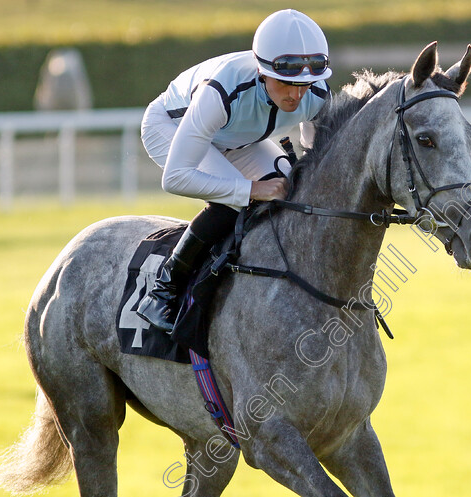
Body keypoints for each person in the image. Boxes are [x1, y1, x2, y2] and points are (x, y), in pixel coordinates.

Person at [136, 9, 333, 331]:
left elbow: (315, 157)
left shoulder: (317, 92)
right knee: (235, 198)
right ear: (262, 71)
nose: (297, 95)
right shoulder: (221, 90)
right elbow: (174, 178)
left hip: (237, 137)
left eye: (305, 83)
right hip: (172, 125)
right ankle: (163, 290)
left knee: (290, 189)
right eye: (286, 82)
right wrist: (251, 190)